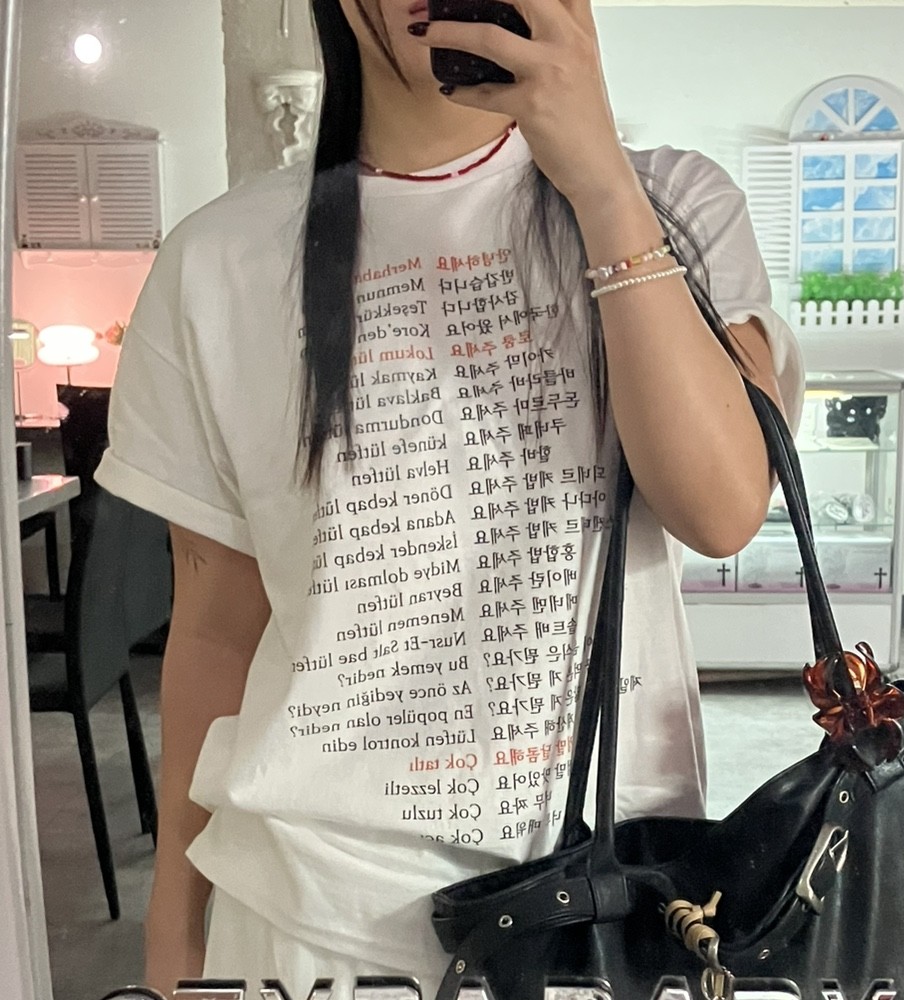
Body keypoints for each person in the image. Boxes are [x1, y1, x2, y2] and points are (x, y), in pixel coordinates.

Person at [95, 0, 804, 995]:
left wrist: (601, 184)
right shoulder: (217, 259)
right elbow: (214, 626)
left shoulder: (677, 205)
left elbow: (720, 509)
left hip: (607, 909)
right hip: (308, 924)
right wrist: (174, 928)